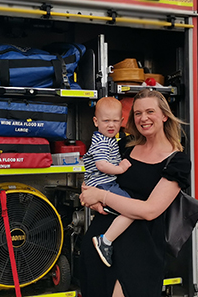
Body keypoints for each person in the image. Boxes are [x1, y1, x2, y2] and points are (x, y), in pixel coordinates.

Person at [79, 89, 190, 297]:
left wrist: (101, 196)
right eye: (138, 113)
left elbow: (150, 210)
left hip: (140, 253)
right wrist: (88, 195)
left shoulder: (177, 162)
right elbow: (92, 178)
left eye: (150, 111)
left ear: (165, 115)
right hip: (99, 246)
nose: (143, 118)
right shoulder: (124, 147)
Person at [83, 97, 134, 267]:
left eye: (115, 121)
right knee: (131, 209)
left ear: (122, 121)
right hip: (102, 185)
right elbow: (101, 164)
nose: (111, 125)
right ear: (96, 122)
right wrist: (120, 169)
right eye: (106, 121)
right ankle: (105, 241)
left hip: (104, 185)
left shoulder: (110, 140)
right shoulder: (102, 142)